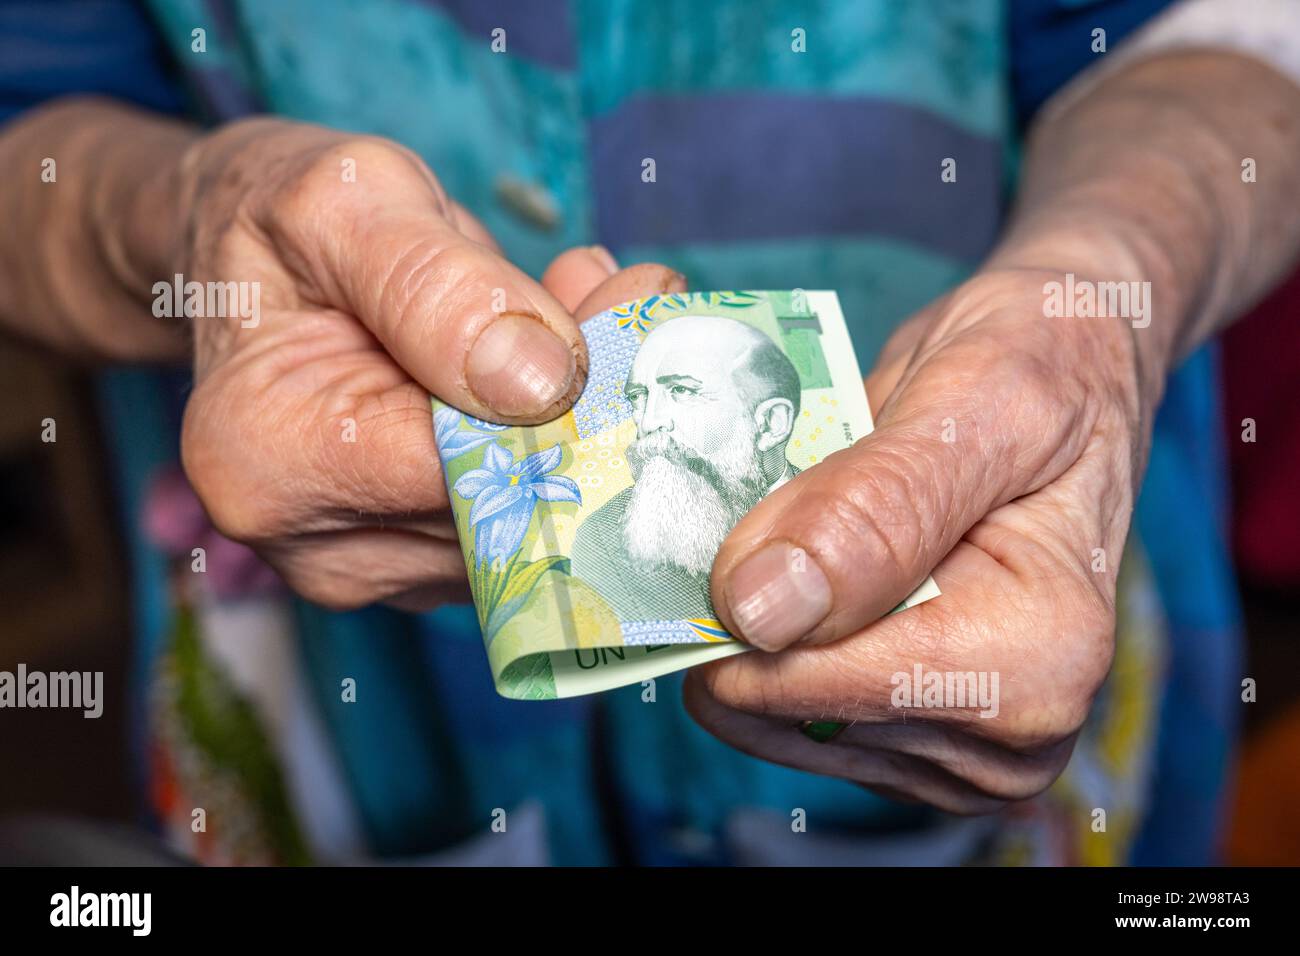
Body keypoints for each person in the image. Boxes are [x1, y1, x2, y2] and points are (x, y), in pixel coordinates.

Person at [2, 0, 1298, 865]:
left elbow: (1222, 40)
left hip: (1011, 574)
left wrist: (1104, 288)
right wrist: (186, 216)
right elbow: (33, 116)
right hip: (356, 701)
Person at [571, 315, 801, 621]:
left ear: (771, 424)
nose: (649, 421)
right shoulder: (602, 538)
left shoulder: (833, 508)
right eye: (639, 397)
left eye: (683, 391)